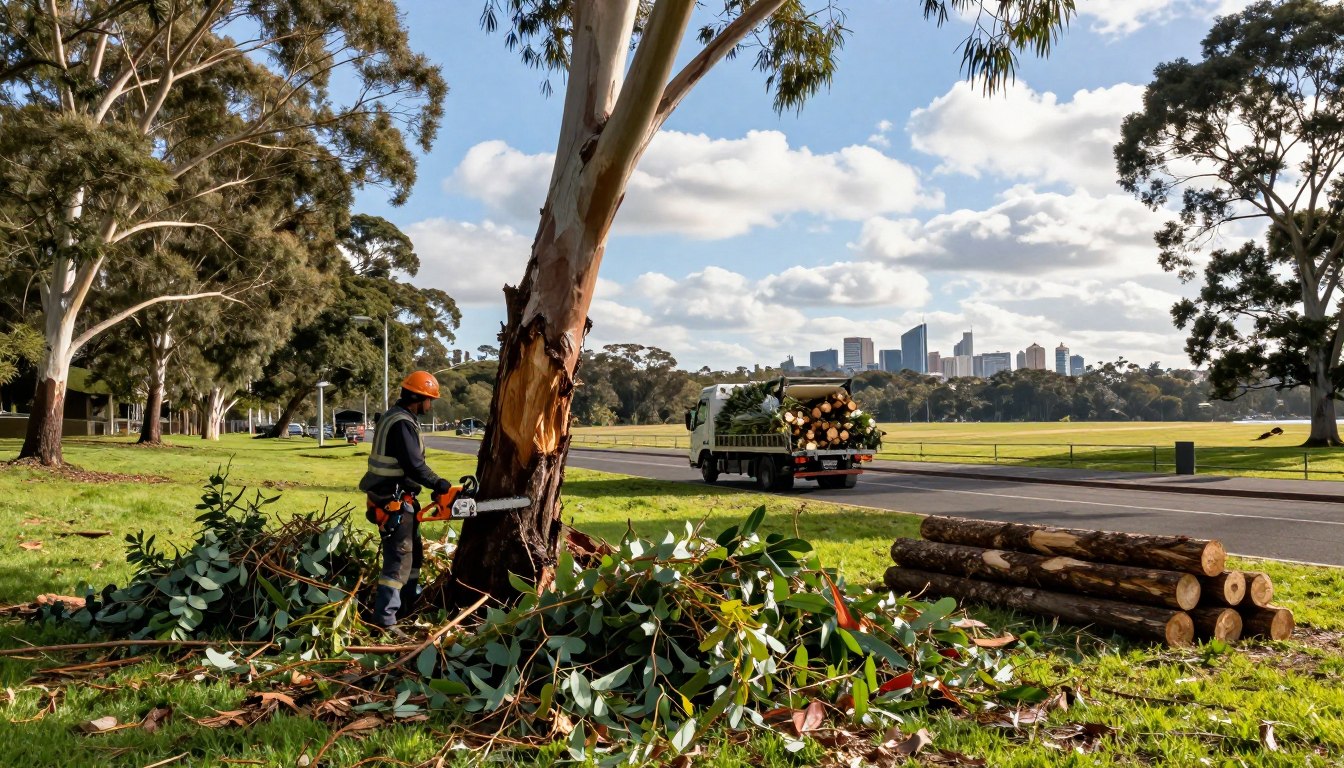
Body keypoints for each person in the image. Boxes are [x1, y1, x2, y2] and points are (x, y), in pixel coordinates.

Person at [359, 371, 451, 629]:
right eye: (429, 400)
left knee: (413, 557)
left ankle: (408, 605)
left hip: (399, 496)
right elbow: (414, 465)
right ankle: (385, 620)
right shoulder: (401, 422)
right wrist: (439, 484)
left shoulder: (397, 417)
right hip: (392, 499)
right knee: (399, 559)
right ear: (419, 398)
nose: (430, 406)